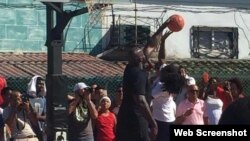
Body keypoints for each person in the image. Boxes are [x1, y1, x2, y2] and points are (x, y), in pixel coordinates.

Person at [116, 47, 158, 141]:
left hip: (124, 117)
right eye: (142, 54)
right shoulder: (139, 74)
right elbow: (140, 100)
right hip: (137, 118)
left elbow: (146, 69)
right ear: (140, 59)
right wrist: (153, 123)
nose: (144, 55)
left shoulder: (129, 69)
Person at [27, 75, 47, 141]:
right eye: (39, 84)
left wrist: (38, 117)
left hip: (40, 129)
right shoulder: (26, 98)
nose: (41, 86)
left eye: (42, 84)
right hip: (28, 128)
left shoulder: (43, 99)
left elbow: (46, 116)